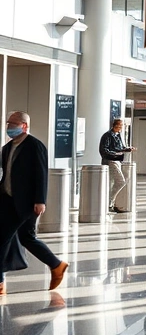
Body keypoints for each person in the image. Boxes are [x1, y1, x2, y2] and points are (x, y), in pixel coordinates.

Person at [0, 112, 69, 295]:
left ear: (24, 125)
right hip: (8, 200)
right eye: (8, 123)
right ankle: (56, 265)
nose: (9, 126)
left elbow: (41, 174)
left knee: (2, 237)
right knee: (26, 238)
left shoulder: (35, 146)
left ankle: (0, 281)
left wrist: (40, 200)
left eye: (13, 123)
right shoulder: (7, 148)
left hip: (27, 203)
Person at [100, 118, 135, 213]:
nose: (119, 128)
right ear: (114, 125)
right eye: (118, 126)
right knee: (120, 181)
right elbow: (104, 150)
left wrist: (127, 149)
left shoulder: (118, 135)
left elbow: (120, 147)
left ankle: (111, 203)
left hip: (118, 160)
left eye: (121, 126)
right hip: (111, 161)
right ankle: (109, 202)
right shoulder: (107, 135)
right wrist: (116, 154)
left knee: (112, 182)